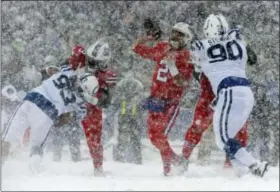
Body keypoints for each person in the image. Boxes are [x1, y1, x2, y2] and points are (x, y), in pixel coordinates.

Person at [189, 13, 268, 177]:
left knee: (223, 139)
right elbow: (252, 59)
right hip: (246, 93)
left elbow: (197, 73)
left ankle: (254, 165)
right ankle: (245, 171)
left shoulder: (200, 46)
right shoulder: (238, 41)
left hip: (229, 91)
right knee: (228, 138)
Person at [1, 47, 99, 173]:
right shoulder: (81, 105)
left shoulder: (66, 70)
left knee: (7, 139)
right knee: (36, 147)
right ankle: (35, 170)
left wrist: (45, 71)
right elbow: (66, 120)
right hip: (48, 112)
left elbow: (52, 69)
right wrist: (61, 118)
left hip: (32, 99)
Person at [182, 34, 257, 168]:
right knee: (200, 128)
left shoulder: (207, 47)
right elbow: (252, 59)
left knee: (235, 132)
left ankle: (232, 165)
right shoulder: (214, 47)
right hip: (214, 95)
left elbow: (251, 59)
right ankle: (184, 159)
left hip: (224, 93)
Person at [132, 21, 194, 176]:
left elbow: (184, 83)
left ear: (186, 38)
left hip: (170, 102)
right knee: (154, 137)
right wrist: (145, 39)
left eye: (180, 35)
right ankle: (172, 166)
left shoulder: (186, 56)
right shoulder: (163, 47)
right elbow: (137, 48)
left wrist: (173, 67)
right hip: (155, 99)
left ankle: (172, 166)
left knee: (159, 136)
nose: (175, 37)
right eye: (174, 32)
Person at [81, 39, 118, 176]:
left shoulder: (107, 76)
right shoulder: (79, 63)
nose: (91, 64)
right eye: (90, 60)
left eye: (95, 62)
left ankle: (98, 167)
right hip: (72, 104)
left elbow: (105, 102)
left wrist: (88, 97)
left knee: (93, 140)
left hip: (91, 109)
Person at [111, 73, 145, 164]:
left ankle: (122, 157)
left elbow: (115, 100)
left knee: (126, 137)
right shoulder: (138, 85)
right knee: (133, 137)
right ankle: (135, 158)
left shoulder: (121, 85)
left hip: (126, 116)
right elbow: (141, 101)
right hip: (131, 116)